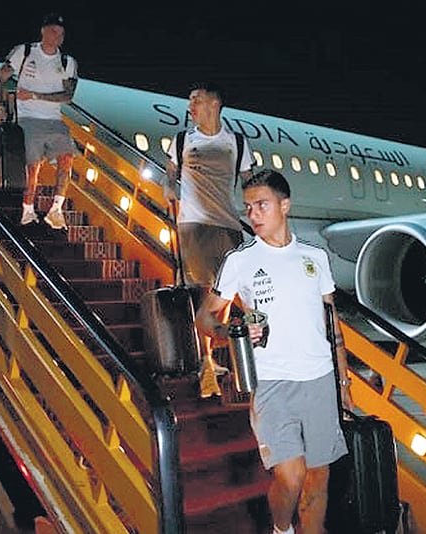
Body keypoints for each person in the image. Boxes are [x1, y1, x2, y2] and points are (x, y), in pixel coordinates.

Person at [197, 170, 352, 534]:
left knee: (317, 479)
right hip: (272, 383)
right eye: (248, 207)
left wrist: (343, 383)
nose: (253, 215)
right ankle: (282, 529)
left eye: (262, 205)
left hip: (320, 381)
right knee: (291, 474)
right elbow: (205, 316)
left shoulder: (314, 257)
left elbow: (333, 324)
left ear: (285, 206)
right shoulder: (240, 260)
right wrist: (229, 330)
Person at [164, 82, 255, 398]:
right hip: (195, 224)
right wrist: (168, 185)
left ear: (214, 105)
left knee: (226, 293)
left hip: (227, 224)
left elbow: (248, 181)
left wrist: (258, 204)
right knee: (206, 291)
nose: (191, 106)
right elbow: (170, 171)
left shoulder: (237, 143)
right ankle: (206, 361)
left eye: (197, 100)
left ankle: (215, 354)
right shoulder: (182, 140)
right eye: (189, 100)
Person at [0, 12, 78, 230]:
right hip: (28, 118)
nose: (57, 36)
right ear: (43, 31)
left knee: (67, 157)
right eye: (53, 31)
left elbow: (67, 97)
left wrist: (34, 95)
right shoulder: (25, 51)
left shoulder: (67, 62)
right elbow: (0, 77)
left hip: (53, 118)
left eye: (61, 34)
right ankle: (28, 209)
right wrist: (1, 105)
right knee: (33, 166)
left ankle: (56, 209)